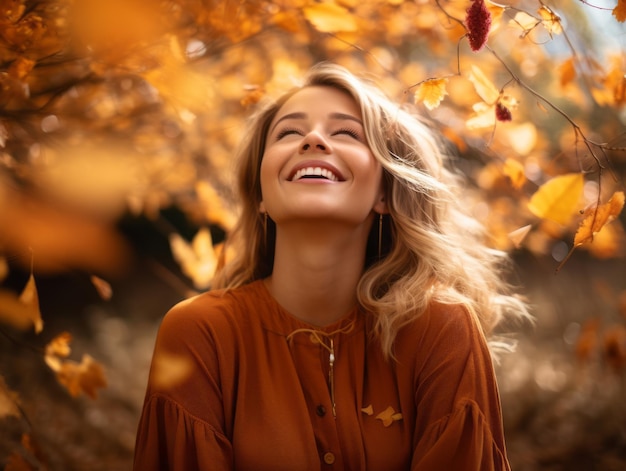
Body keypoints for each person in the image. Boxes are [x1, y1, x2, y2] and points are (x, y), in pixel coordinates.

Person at [133, 62, 530, 470]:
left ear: (384, 192)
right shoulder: (200, 335)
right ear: (261, 196)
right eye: (289, 132)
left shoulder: (442, 329)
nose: (313, 139)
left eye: (345, 133)